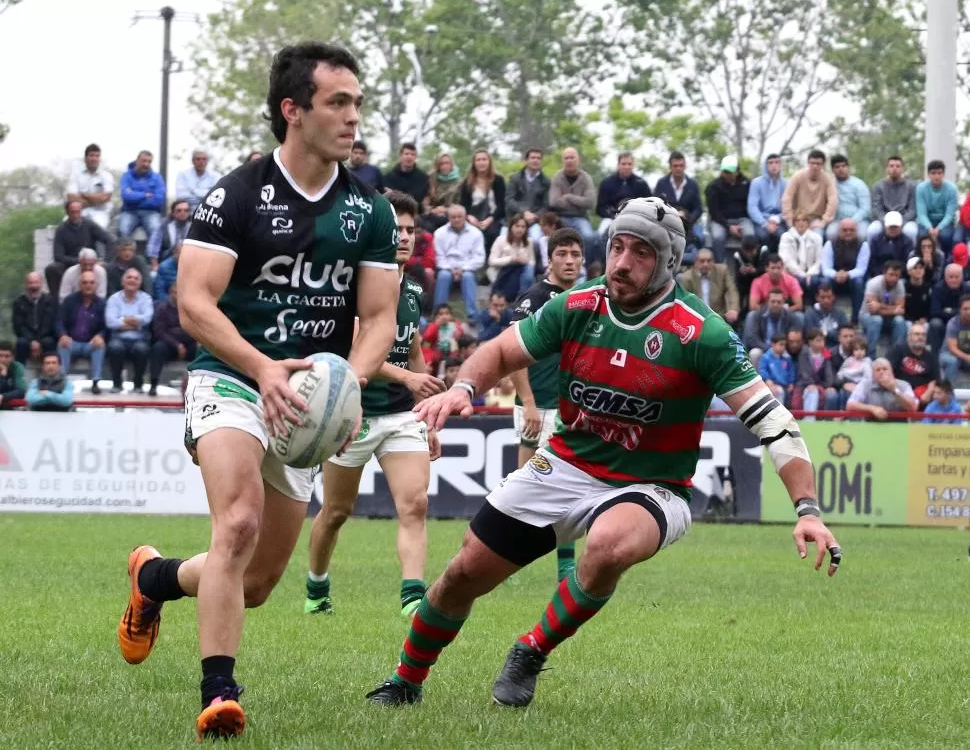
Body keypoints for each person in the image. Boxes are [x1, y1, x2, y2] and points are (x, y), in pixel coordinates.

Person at [364, 196, 841, 709]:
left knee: (608, 544)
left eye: (640, 253)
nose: (622, 263)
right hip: (566, 463)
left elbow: (774, 422)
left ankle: (532, 649)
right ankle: (405, 681)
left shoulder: (703, 333)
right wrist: (463, 388)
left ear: (669, 263)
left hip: (653, 485)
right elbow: (502, 350)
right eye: (617, 246)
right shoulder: (579, 305)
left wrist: (807, 510)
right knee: (463, 572)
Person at [114, 42, 401, 740]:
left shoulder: (370, 210)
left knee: (257, 582)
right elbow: (193, 301)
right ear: (292, 110)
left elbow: (379, 315)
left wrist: (352, 381)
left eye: (357, 103)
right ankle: (220, 693)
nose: (353, 117)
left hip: (307, 402)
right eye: (338, 102)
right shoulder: (237, 195)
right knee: (236, 523)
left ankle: (154, 580)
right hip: (232, 379)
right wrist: (263, 365)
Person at [304, 191, 444, 617]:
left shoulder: (416, 287)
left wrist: (428, 408)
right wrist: (407, 375)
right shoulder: (355, 284)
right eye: (395, 228)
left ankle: (413, 597)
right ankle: (316, 586)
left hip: (403, 415)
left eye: (409, 229)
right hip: (353, 414)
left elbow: (413, 347)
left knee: (415, 503)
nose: (403, 236)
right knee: (336, 511)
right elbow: (358, 349)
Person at [509, 228, 585, 583]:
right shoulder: (534, 298)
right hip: (536, 407)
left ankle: (566, 566)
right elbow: (514, 356)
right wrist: (528, 404)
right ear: (549, 258)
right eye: (562, 254)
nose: (569, 261)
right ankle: (501, 555)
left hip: (572, 409)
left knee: (568, 488)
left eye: (575, 254)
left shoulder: (587, 299)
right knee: (524, 487)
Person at [846, 357, 918, 420]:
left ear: (892, 372)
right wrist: (872, 408)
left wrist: (894, 390)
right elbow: (850, 405)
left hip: (899, 426)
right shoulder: (865, 384)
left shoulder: (904, 385)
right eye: (878, 370)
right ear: (873, 375)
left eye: (885, 369)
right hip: (871, 426)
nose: (882, 372)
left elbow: (913, 407)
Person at [940, 294, 970, 382]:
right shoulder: (953, 323)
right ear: (960, 310)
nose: (968, 311)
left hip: (966, 357)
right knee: (952, 361)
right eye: (965, 309)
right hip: (949, 354)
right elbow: (952, 348)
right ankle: (948, 390)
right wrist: (968, 357)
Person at [759, 335, 796, 404]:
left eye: (784, 345)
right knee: (778, 391)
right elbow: (762, 370)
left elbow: (791, 371)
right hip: (773, 384)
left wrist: (791, 382)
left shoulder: (787, 358)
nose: (783, 347)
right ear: (773, 344)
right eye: (781, 344)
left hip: (786, 386)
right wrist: (767, 379)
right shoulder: (765, 357)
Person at [0, 340, 27, 409]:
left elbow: (21, 391)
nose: (3, 359)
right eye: (0, 356)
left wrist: (3, 396)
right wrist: (3, 376)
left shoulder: (17, 367)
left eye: (7, 356)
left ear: (12, 357)